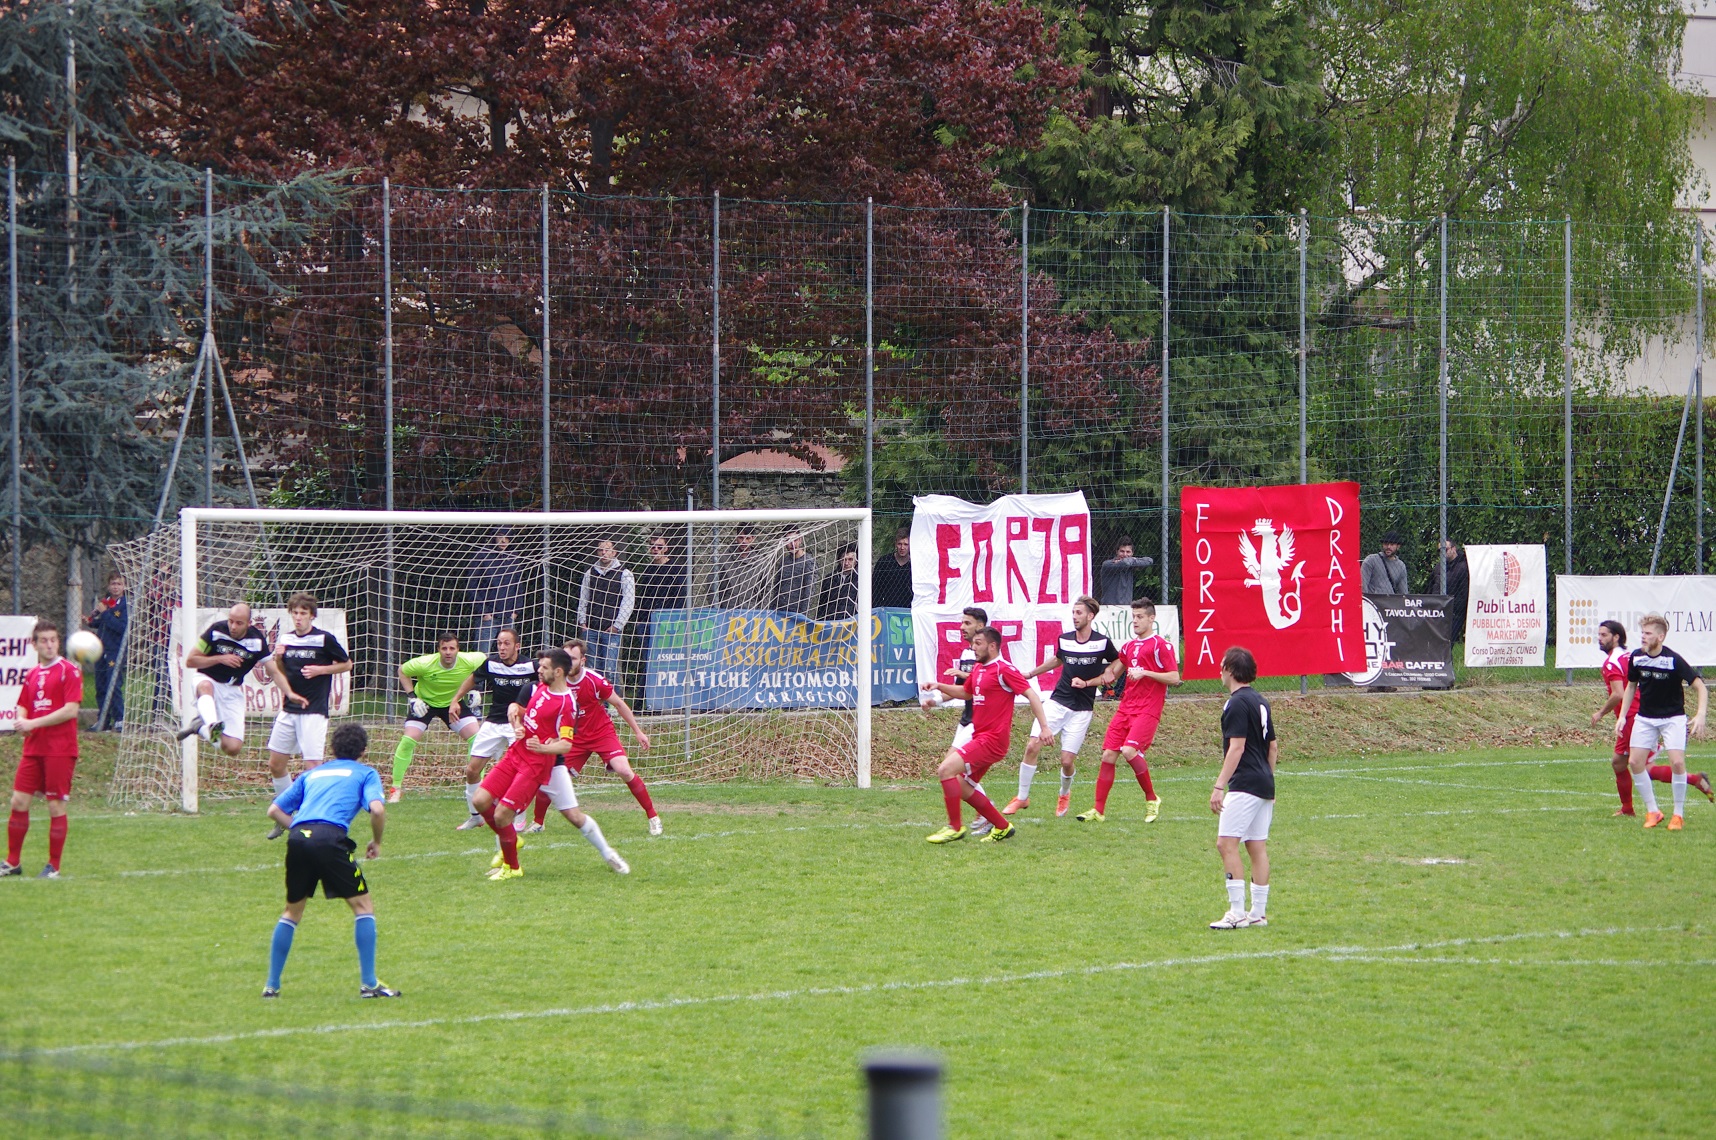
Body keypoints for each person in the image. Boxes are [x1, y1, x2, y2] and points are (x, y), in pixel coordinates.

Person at [262, 722, 399, 999]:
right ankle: (369, 984)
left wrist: (302, 830)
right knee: (363, 906)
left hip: (298, 838)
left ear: (332, 749)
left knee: (292, 912)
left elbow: (274, 810)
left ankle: (271, 986)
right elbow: (377, 809)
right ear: (363, 750)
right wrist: (377, 842)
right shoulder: (366, 773)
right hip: (330, 839)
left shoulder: (312, 774)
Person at [919, 626, 1050, 845]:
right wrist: (938, 688)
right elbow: (966, 692)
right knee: (961, 785)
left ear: (992, 645)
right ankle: (1002, 826)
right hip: (980, 737)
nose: (973, 647)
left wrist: (1044, 727)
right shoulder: (979, 670)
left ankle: (954, 827)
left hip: (992, 740)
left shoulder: (1004, 669)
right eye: (973, 643)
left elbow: (1032, 695)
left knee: (945, 770)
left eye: (978, 643)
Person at [468, 647, 579, 880]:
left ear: (558, 672)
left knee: (501, 815)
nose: (539, 670)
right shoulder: (538, 688)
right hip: (515, 754)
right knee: (479, 800)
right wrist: (516, 719)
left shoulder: (567, 703)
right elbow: (523, 711)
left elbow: (567, 744)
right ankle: (512, 839)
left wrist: (545, 748)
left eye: (544, 667)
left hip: (535, 765)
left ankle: (513, 867)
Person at [536, 638, 660, 835]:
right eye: (566, 659)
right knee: (552, 777)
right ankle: (538, 823)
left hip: (601, 733)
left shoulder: (595, 680)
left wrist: (638, 731)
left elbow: (618, 704)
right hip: (574, 738)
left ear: (583, 660)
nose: (569, 663)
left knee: (624, 770)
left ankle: (653, 817)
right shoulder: (556, 682)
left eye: (574, 659)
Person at [1008, 595, 1119, 817]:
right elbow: (1058, 660)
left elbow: (1118, 660)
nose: (1075, 617)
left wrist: (1110, 670)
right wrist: (1030, 673)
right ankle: (1022, 797)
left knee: (1067, 761)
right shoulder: (1065, 639)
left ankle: (1064, 793)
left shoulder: (1102, 642)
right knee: (1032, 746)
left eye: (1079, 613)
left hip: (1082, 709)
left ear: (1090, 616)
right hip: (1058, 702)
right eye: (1073, 613)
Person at [1590, 620, 1712, 816]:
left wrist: (1601, 713)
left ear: (1616, 637)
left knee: (1636, 765)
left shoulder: (1613, 662)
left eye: (1604, 635)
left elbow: (1618, 693)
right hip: (1639, 715)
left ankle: (1690, 783)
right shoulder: (1632, 656)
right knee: (1626, 763)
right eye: (1599, 634)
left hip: (1638, 716)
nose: (1599, 639)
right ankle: (1631, 809)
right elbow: (1631, 685)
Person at [1077, 597, 1179, 823]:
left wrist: (1146, 673)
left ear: (1152, 618)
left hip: (1147, 709)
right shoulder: (1129, 647)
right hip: (1126, 708)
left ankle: (1152, 799)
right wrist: (1086, 682)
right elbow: (1112, 674)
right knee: (1108, 755)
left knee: (1130, 751)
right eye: (1133, 616)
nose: (1135, 621)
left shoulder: (1161, 645)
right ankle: (1098, 811)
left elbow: (1174, 677)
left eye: (1140, 616)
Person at [264, 592, 353, 840]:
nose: (299, 617)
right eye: (295, 613)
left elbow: (347, 664)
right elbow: (281, 672)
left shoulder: (324, 639)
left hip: (313, 711)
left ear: (312, 616)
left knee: (312, 768)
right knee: (276, 764)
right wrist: (279, 658)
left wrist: (321, 669)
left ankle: (316, 819)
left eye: (303, 613)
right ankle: (288, 812)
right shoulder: (286, 639)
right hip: (289, 709)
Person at [2, 622, 83, 878]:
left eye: (53, 640)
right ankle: (13, 863)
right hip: (33, 748)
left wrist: (32, 723)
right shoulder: (33, 673)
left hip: (59, 748)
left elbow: (71, 710)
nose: (49, 645)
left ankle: (53, 867)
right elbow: (23, 704)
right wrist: (21, 721)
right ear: (34, 645)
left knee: (55, 806)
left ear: (58, 643)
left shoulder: (69, 671)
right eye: (44, 641)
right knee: (18, 801)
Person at [1209, 645, 1276, 929]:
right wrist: (1268, 782)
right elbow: (1272, 747)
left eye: (1223, 665)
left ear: (1231, 670)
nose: (1219, 670)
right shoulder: (1261, 701)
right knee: (1256, 847)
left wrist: (1219, 785)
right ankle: (1258, 914)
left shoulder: (1236, 702)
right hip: (1263, 783)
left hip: (1245, 784)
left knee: (1226, 843)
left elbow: (1237, 747)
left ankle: (1237, 912)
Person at [451, 627, 537, 829]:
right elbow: (472, 679)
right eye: (499, 643)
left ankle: (519, 817)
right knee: (472, 770)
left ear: (517, 646)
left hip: (518, 723)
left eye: (506, 643)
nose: (502, 647)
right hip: (493, 721)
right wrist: (456, 699)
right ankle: (476, 816)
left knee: (520, 772)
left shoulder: (530, 666)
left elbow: (547, 682)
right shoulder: (491, 664)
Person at [920, 606, 996, 835]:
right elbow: (965, 689)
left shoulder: (990, 655)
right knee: (954, 772)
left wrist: (964, 677)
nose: (962, 627)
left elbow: (980, 684)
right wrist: (937, 700)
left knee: (949, 769)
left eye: (967, 623)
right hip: (967, 719)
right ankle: (984, 813)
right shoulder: (967, 653)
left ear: (980, 626)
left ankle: (981, 814)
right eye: (962, 623)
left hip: (980, 722)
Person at [387, 633, 487, 802]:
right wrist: (412, 698)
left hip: (453, 704)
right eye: (444, 648)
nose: (448, 652)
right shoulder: (425, 663)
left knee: (477, 739)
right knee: (408, 740)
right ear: (438, 650)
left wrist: (475, 689)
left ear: (458, 649)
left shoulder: (471, 660)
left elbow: (487, 666)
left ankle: (477, 788)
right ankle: (395, 788)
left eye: (452, 648)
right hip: (424, 704)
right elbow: (402, 671)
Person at [176, 601, 273, 761]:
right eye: (231, 621)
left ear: (249, 624)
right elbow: (191, 660)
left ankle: (200, 727)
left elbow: (272, 669)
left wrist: (289, 691)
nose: (233, 626)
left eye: (239, 623)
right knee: (205, 686)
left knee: (233, 748)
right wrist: (220, 658)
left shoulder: (257, 640)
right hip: (207, 679)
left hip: (232, 690)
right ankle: (212, 723)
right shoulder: (216, 631)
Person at [629, 532, 688, 702]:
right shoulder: (648, 570)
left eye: (659, 547)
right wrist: (640, 620)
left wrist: (672, 621)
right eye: (653, 547)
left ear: (666, 548)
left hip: (667, 624)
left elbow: (680, 599)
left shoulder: (675, 569)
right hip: (647, 623)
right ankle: (643, 701)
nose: (656, 550)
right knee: (648, 661)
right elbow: (643, 599)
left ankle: (665, 700)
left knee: (665, 663)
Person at [578, 538, 635, 679]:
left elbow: (628, 602)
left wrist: (617, 625)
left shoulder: (625, 573)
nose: (604, 553)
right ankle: (595, 701)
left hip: (611, 630)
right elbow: (583, 599)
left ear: (614, 552)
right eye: (601, 550)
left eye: (607, 550)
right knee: (591, 670)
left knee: (610, 671)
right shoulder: (590, 573)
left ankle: (613, 701)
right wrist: (582, 622)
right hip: (591, 629)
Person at [466, 527, 524, 652]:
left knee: (509, 654)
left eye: (507, 537)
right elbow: (471, 586)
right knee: (482, 655)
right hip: (488, 616)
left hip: (508, 615)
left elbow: (519, 586)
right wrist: (483, 612)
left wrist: (516, 611)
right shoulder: (481, 556)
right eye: (500, 536)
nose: (504, 541)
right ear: (493, 537)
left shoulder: (514, 558)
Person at [86, 571, 128, 731]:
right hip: (101, 649)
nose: (115, 587)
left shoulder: (124, 605)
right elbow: (105, 624)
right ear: (108, 586)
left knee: (114, 684)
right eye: (113, 584)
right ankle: (103, 719)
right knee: (101, 685)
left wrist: (104, 613)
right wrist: (92, 622)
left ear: (124, 587)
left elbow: (122, 627)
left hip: (115, 650)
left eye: (119, 584)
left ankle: (119, 719)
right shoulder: (107, 602)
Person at [715, 523, 767, 609]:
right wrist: (716, 608)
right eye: (741, 538)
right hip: (727, 611)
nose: (744, 541)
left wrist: (762, 611)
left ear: (753, 539)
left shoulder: (760, 561)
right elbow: (713, 585)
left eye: (748, 538)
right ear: (736, 537)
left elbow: (767, 589)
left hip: (751, 612)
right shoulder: (724, 558)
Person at [1097, 537, 1154, 606]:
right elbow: (1125, 563)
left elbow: (1149, 561)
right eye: (1122, 551)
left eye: (1128, 552)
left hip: (1127, 607)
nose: (1125, 555)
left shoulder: (1131, 565)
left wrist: (1131, 560)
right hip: (1109, 606)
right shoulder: (1108, 564)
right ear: (1117, 551)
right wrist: (1132, 560)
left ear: (1132, 553)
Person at [772, 528, 817, 616]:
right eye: (788, 540)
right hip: (779, 613)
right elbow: (776, 589)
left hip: (796, 615)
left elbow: (809, 593)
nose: (792, 544)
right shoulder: (784, 562)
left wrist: (802, 616)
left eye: (795, 540)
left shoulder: (809, 562)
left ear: (800, 540)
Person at [871, 527, 914, 609]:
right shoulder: (884, 561)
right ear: (895, 544)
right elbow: (875, 588)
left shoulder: (914, 565)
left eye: (906, 544)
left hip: (909, 610)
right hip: (886, 609)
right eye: (899, 544)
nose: (902, 547)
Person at [816, 544, 859, 621]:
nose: (846, 563)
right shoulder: (829, 579)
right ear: (839, 560)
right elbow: (822, 605)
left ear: (856, 561)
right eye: (843, 560)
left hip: (851, 622)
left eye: (850, 559)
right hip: (831, 622)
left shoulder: (860, 579)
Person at [1440, 540, 1470, 645]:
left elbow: (1464, 593)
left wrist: (1453, 607)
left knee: (1448, 641)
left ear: (1453, 549)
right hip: (1438, 609)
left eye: (1445, 549)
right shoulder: (1439, 568)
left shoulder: (1463, 567)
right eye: (1439, 551)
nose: (1442, 553)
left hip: (1455, 612)